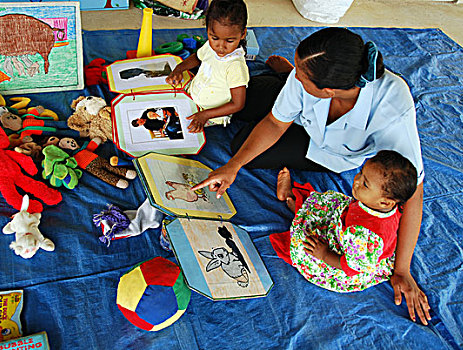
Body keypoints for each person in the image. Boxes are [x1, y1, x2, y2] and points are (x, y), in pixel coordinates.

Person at [192, 28, 431, 324]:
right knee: (241, 97)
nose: (299, 80)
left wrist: (402, 270)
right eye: (298, 71)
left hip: (329, 151)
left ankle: (279, 78)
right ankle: (281, 74)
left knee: (241, 141)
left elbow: (413, 191)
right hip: (302, 117)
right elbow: (274, 123)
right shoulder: (310, 80)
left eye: (302, 77)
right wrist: (233, 167)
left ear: (329, 90)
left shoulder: (392, 106)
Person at [271, 150, 417, 294]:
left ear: (385, 203)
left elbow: (352, 267)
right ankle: (296, 202)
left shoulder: (364, 235)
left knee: (306, 243)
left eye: (365, 184)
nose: (356, 180)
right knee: (324, 204)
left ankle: (296, 206)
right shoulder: (386, 205)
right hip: (345, 227)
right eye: (361, 173)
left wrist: (324, 254)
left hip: (345, 258)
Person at [165, 0, 249, 133]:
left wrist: (205, 115)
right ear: (208, 30)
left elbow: (238, 104)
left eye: (230, 41)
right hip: (193, 91)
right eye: (214, 37)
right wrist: (179, 69)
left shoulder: (235, 66)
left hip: (211, 113)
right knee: (162, 92)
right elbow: (198, 57)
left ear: (242, 34)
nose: (220, 47)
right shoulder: (211, 46)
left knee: (178, 128)